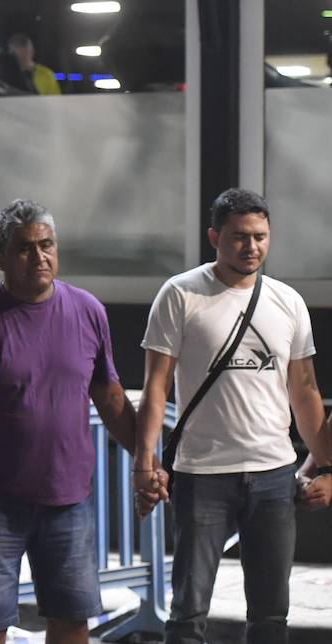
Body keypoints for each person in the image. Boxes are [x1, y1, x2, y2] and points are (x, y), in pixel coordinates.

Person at [0, 199, 146, 644]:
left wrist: (147, 462)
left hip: (69, 499)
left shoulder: (88, 310)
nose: (39, 257)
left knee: (73, 620)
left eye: (46, 245)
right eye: (24, 248)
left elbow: (111, 399)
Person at [133, 188, 332, 644]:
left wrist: (326, 466)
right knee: (187, 614)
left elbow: (304, 391)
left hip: (274, 476)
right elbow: (156, 386)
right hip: (202, 475)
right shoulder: (181, 294)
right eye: (240, 237)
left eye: (260, 236)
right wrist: (146, 462)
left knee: (270, 615)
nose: (252, 247)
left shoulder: (288, 301)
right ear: (214, 237)